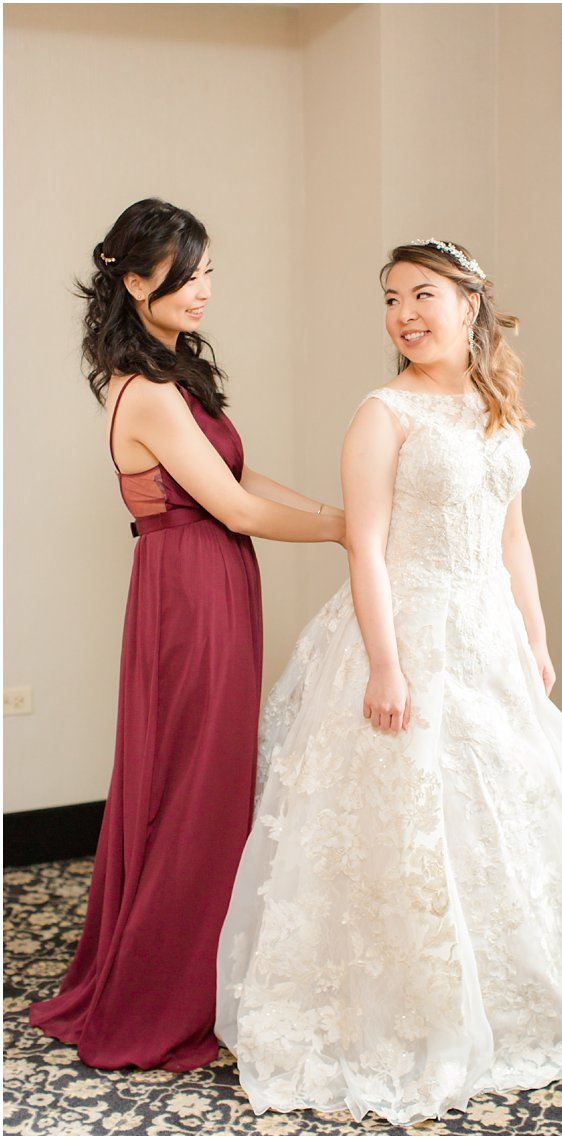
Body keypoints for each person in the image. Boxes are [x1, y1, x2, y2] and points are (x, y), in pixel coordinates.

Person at [216, 239, 562, 1124]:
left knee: (506, 814)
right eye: (393, 298)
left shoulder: (492, 403)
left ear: (470, 303)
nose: (406, 312)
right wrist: (389, 662)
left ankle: (514, 986)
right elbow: (364, 545)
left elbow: (510, 535)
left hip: (487, 634)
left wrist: (536, 636)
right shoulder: (381, 413)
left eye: (425, 294)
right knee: (409, 819)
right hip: (407, 632)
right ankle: (416, 1004)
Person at [30, 198, 345, 1071]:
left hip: (207, 579)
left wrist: (336, 510)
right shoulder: (151, 394)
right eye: (185, 274)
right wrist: (348, 532)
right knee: (195, 786)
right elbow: (237, 506)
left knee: (199, 776)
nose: (204, 289)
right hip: (190, 591)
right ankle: (165, 994)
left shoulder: (172, 376)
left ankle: (180, 966)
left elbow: (239, 472)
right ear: (134, 282)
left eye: (207, 271)